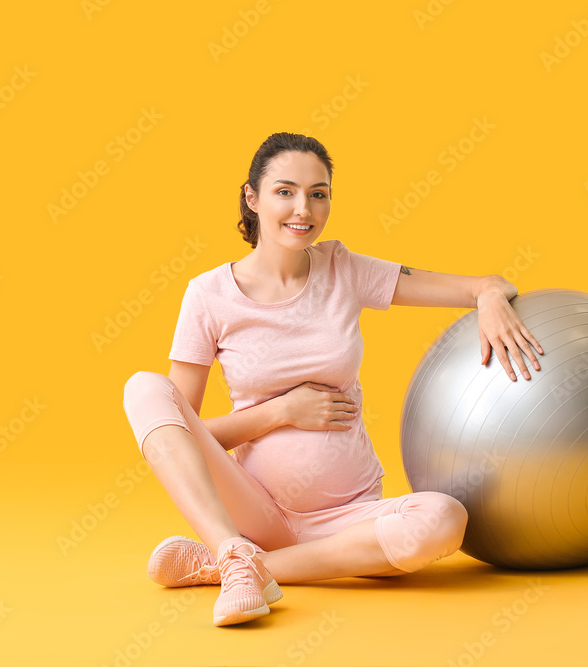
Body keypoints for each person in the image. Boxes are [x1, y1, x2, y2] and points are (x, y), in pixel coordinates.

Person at [122, 132, 544, 627]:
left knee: (444, 519)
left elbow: (482, 284)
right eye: (285, 191)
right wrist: (279, 412)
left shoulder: (344, 268)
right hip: (257, 510)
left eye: (318, 193)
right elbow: (185, 436)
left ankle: (228, 566)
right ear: (252, 197)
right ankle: (236, 550)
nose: (304, 208)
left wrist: (490, 297)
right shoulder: (207, 295)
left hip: (350, 519)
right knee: (143, 388)